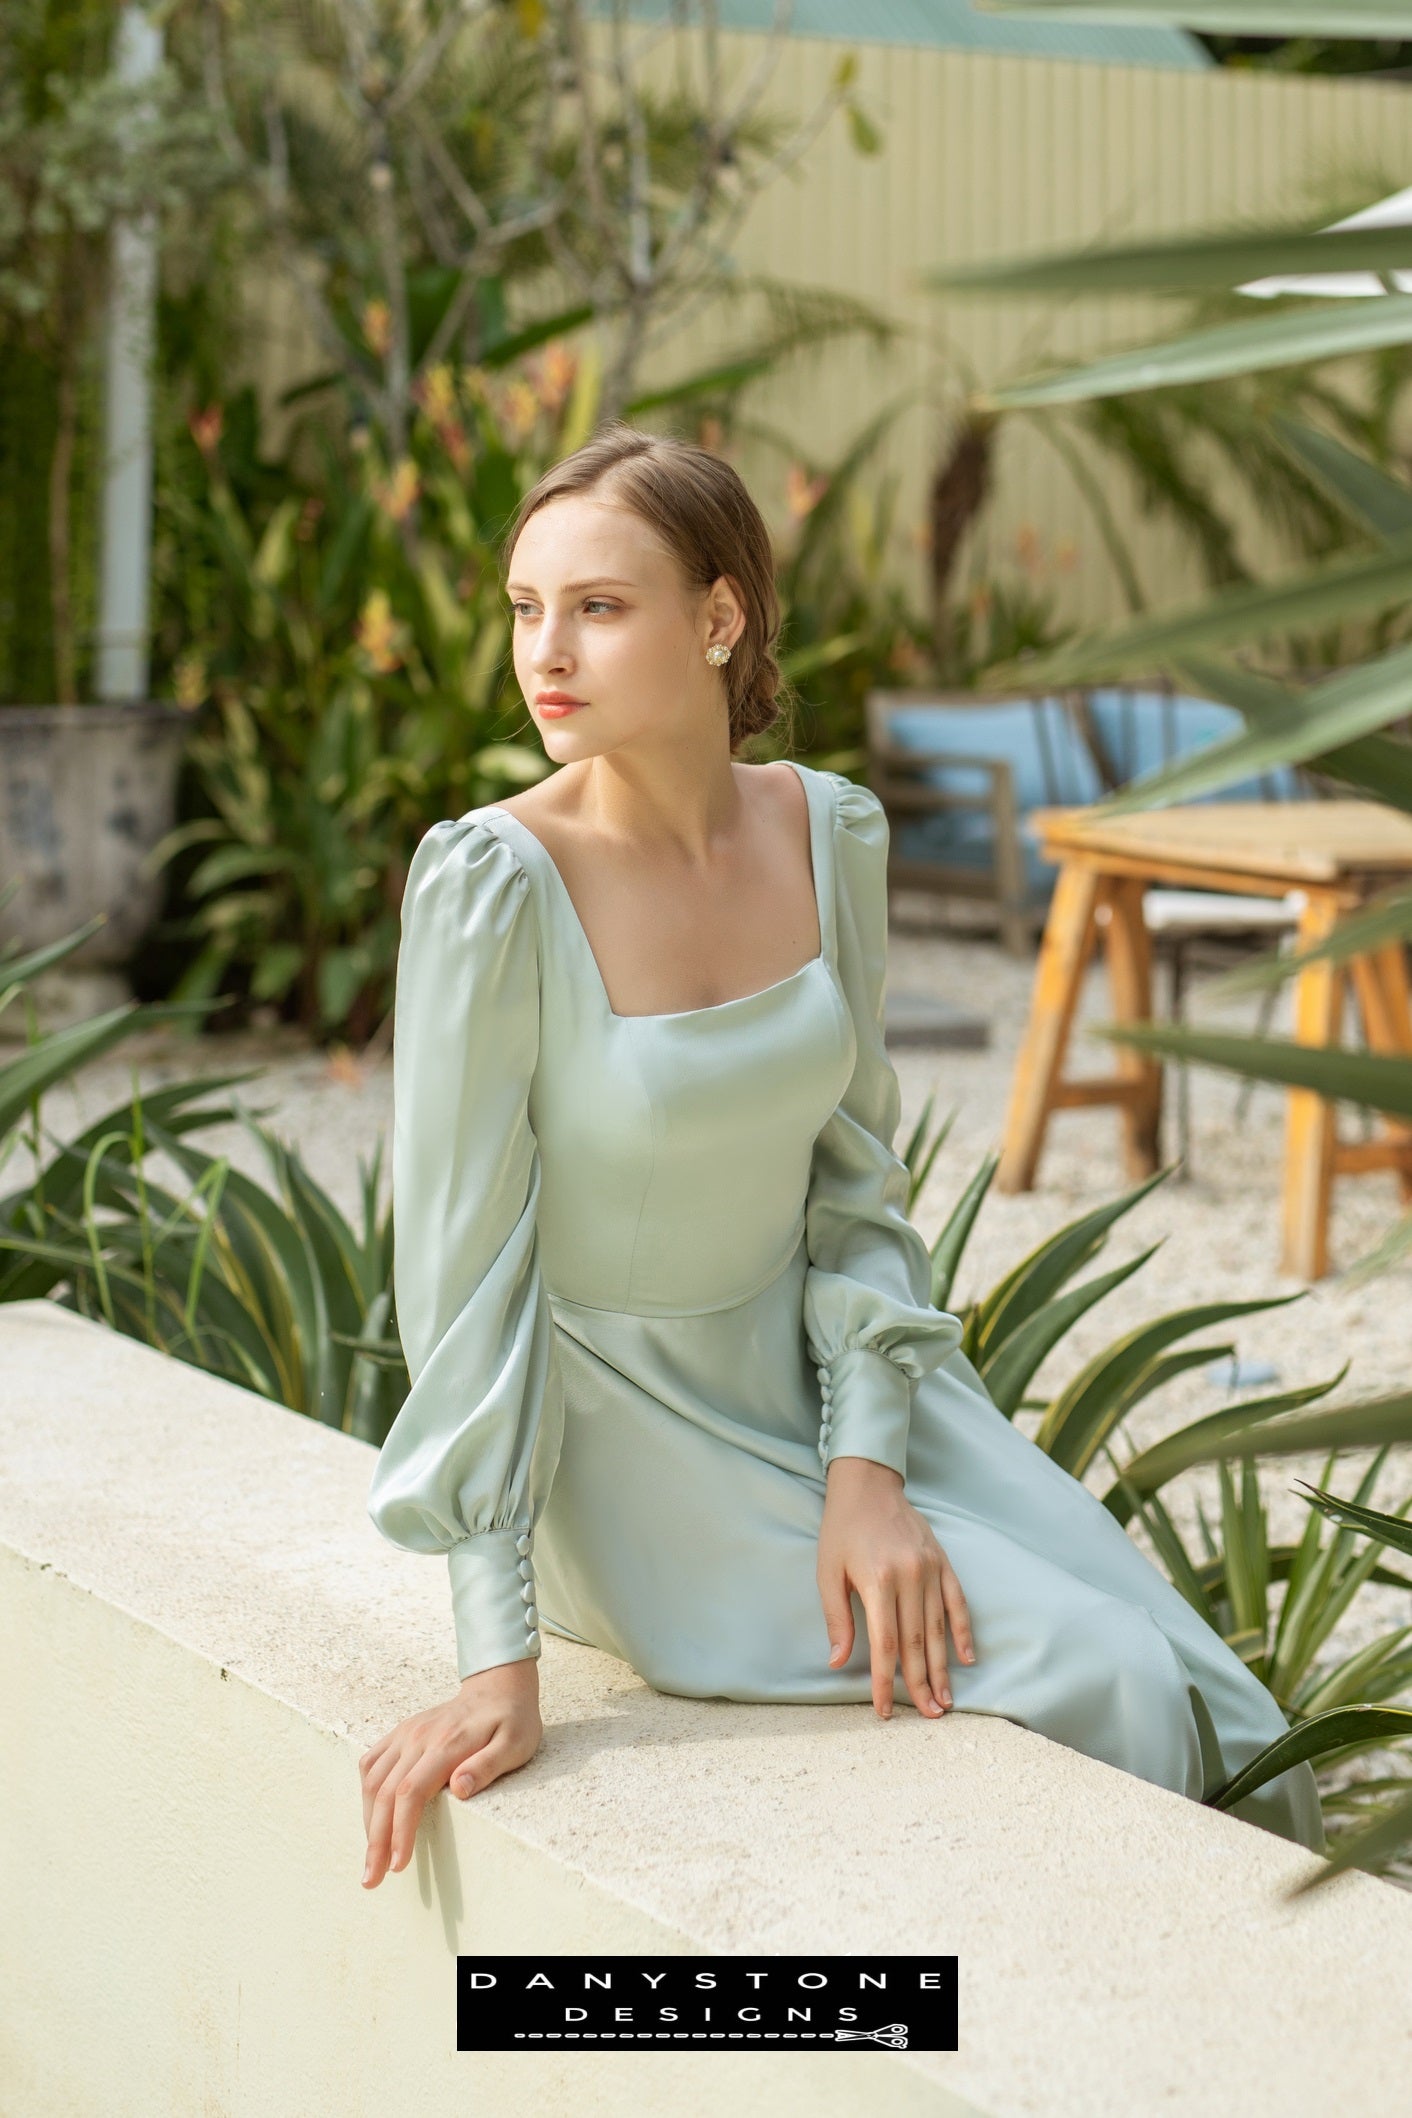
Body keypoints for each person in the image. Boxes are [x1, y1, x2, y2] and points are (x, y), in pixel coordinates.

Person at [358, 420, 1324, 1889]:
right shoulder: (497, 881)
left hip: (837, 1381)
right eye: (525, 607)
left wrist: (864, 1464)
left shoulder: (828, 830)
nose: (544, 651)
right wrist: (499, 1657)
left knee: (1203, 1687)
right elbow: (460, 1275)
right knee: (1107, 1678)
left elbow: (856, 1183)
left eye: (598, 607)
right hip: (624, 1448)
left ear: (720, 617)